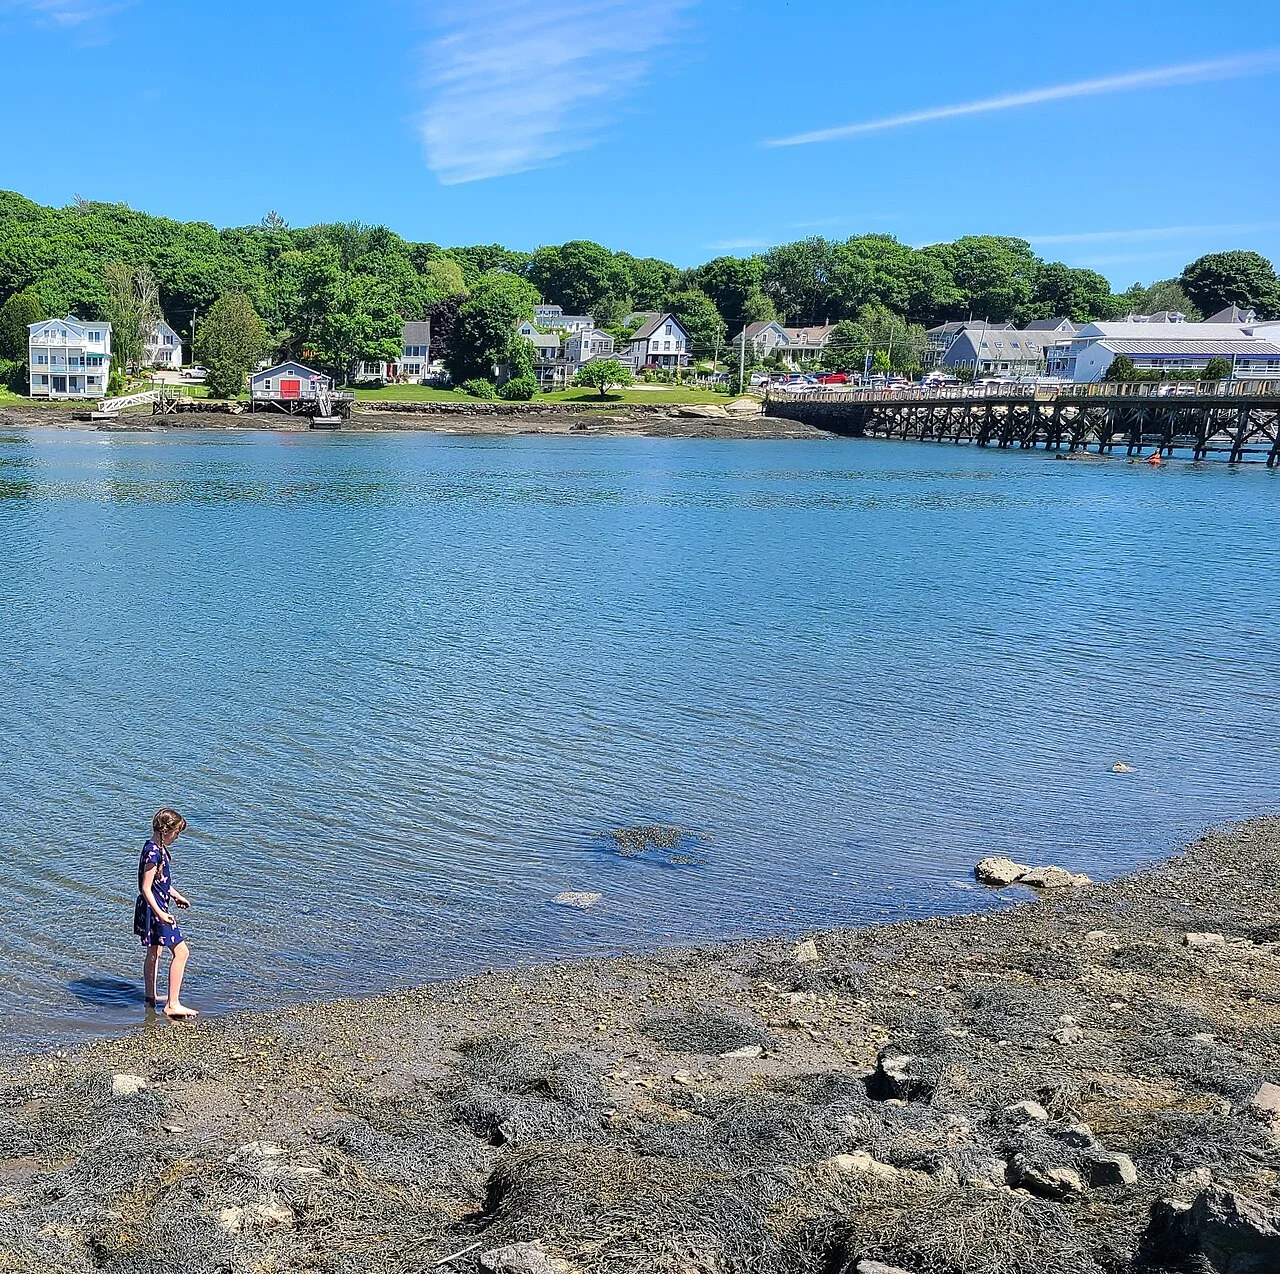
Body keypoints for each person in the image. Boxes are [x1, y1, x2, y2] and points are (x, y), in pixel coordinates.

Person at [133, 807, 198, 1019]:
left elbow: (161, 883)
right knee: (182, 952)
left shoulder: (152, 847)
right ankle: (173, 1004)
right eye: (176, 833)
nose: (176, 838)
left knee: (155, 953)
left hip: (152, 908)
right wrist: (161, 914)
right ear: (164, 830)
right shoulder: (154, 853)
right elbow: (145, 887)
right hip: (155, 909)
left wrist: (177, 895)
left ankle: (150, 996)